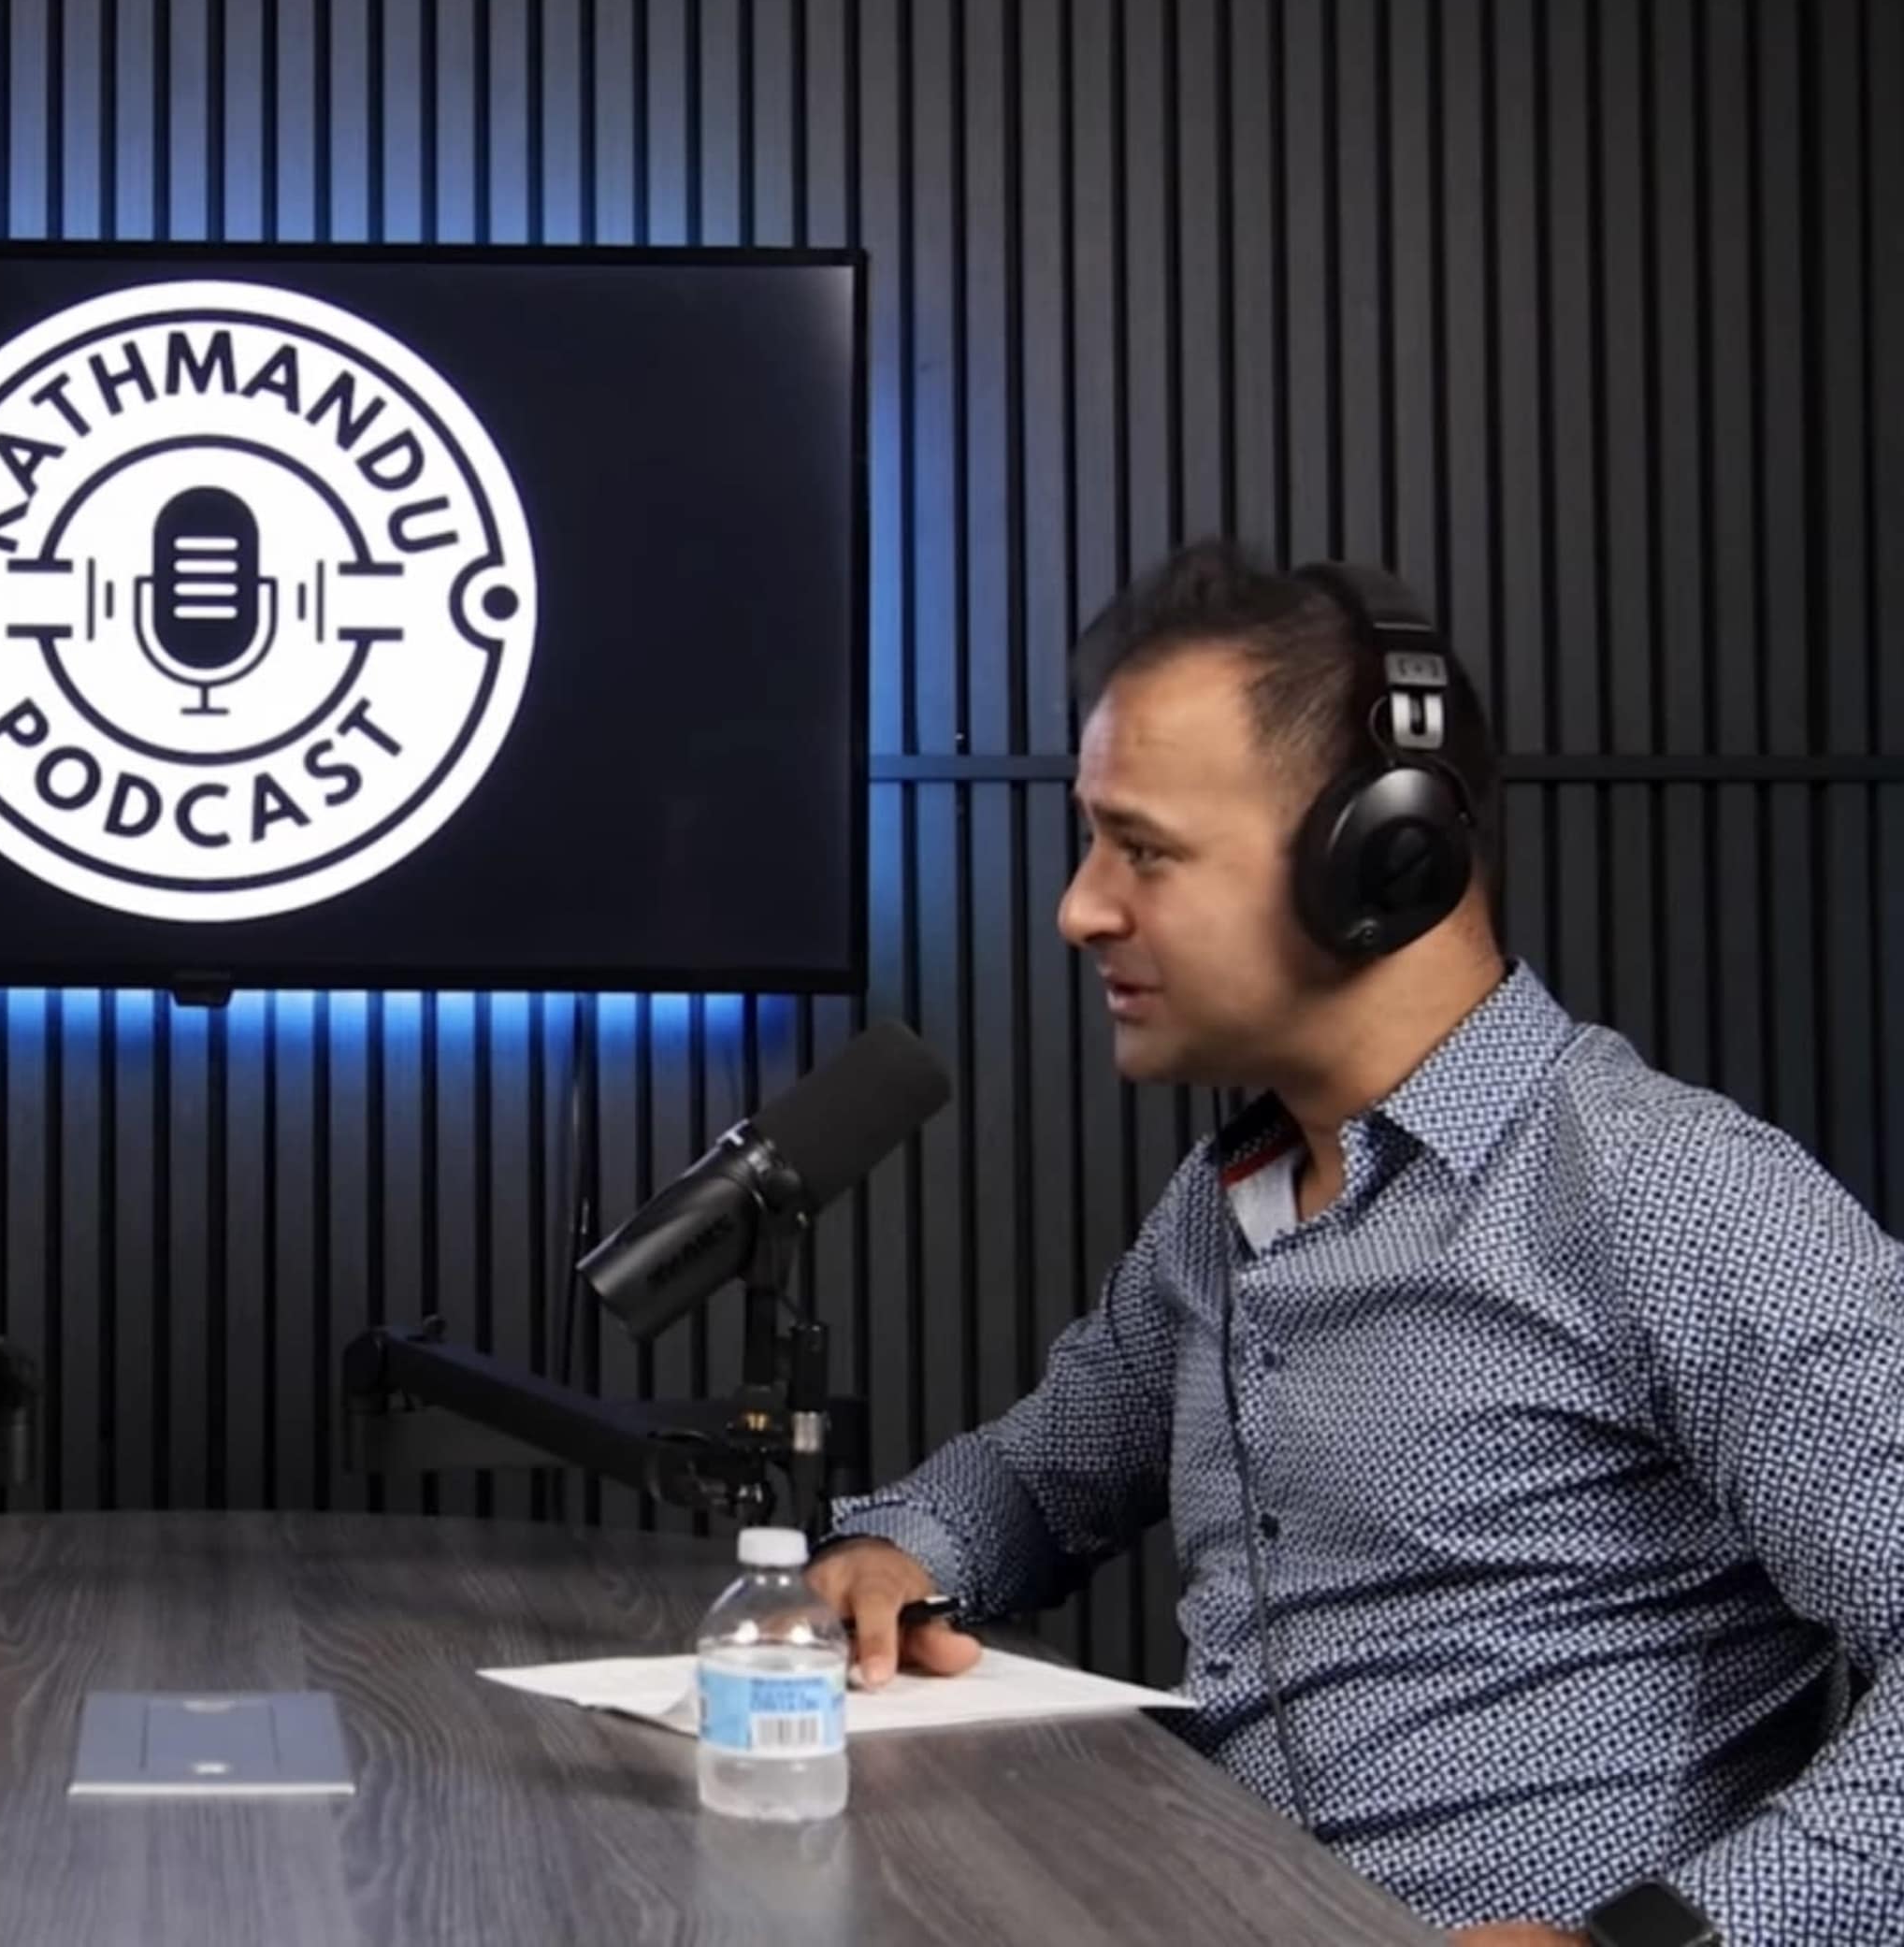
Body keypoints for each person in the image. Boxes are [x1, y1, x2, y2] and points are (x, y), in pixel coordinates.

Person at [812, 541, 1898, 1947]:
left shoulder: (1670, 1198)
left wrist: (1659, 1941)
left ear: (1382, 857)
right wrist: (903, 1552)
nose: (1082, 908)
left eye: (1141, 849)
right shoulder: (1226, 1209)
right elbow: (1042, 1472)